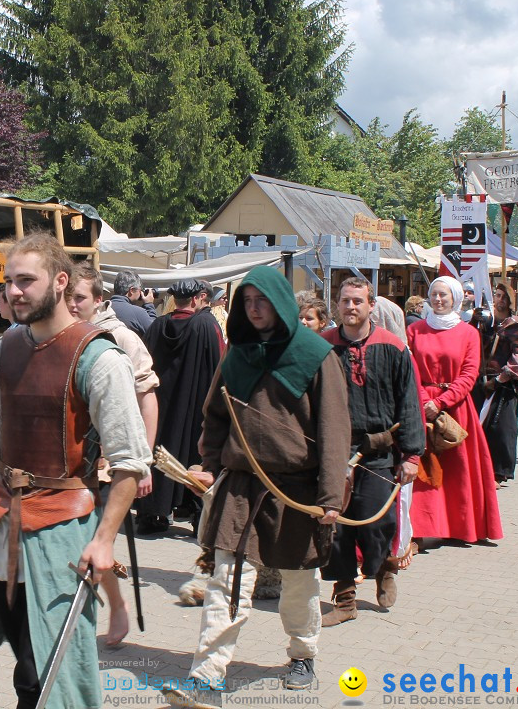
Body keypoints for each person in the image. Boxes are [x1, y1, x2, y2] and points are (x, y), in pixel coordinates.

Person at [0, 233, 151, 709]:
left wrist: (103, 540)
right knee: (25, 664)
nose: (15, 291)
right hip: (4, 530)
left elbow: (128, 461)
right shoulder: (6, 350)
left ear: (60, 282)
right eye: (9, 282)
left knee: (52, 672)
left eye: (26, 280)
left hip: (62, 533)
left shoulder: (99, 357)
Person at [162, 266, 350, 708]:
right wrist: (209, 464)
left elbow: (334, 430)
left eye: (261, 301)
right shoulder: (237, 355)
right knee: (226, 582)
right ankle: (206, 677)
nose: (253, 310)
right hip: (242, 487)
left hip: (296, 491)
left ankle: (303, 654)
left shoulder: (315, 356)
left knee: (300, 584)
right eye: (246, 303)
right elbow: (214, 415)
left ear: (281, 302)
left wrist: (328, 498)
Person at [318, 279, 424, 627]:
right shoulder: (323, 346)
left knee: (378, 521)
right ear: (337, 305)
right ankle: (345, 597)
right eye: (345, 301)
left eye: (357, 301)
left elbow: (410, 403)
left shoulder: (393, 347)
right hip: (334, 449)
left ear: (370, 304)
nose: (350, 307)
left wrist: (411, 455)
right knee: (334, 525)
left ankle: (384, 567)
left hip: (378, 450)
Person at [68, 262, 158, 646]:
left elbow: (147, 398)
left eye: (80, 298)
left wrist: (143, 462)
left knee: (93, 535)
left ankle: (114, 607)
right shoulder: (63, 334)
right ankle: (106, 608)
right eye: (67, 297)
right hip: (71, 459)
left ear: (99, 299)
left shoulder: (120, 337)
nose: (72, 305)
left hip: (111, 461)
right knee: (85, 537)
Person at [407, 276, 503, 543]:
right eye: (434, 295)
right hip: (422, 405)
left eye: (444, 295)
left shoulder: (469, 333)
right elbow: (412, 370)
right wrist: (425, 399)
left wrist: (440, 402)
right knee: (426, 469)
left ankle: (463, 527)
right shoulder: (415, 330)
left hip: (456, 410)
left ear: (455, 299)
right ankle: (421, 530)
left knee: (460, 471)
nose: (438, 300)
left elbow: (470, 373)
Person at [138, 278, 225, 535]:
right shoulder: (206, 325)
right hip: (194, 404)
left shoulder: (158, 325)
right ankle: (197, 514)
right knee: (193, 458)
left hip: (161, 405)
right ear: (197, 298)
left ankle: (150, 514)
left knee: (159, 454)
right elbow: (218, 365)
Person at [470, 286, 518, 486]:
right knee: (478, 427)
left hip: (502, 386)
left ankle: (497, 472)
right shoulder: (484, 323)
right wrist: (473, 322)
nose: (500, 300)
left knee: (500, 431)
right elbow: (470, 344)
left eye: (504, 296)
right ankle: (478, 469)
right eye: (497, 295)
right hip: (480, 381)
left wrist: (497, 381)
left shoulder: (517, 326)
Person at [109, 269, 157, 336]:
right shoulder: (138, 313)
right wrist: (149, 305)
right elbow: (155, 333)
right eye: (140, 290)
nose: (141, 293)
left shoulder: (101, 307)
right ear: (132, 290)